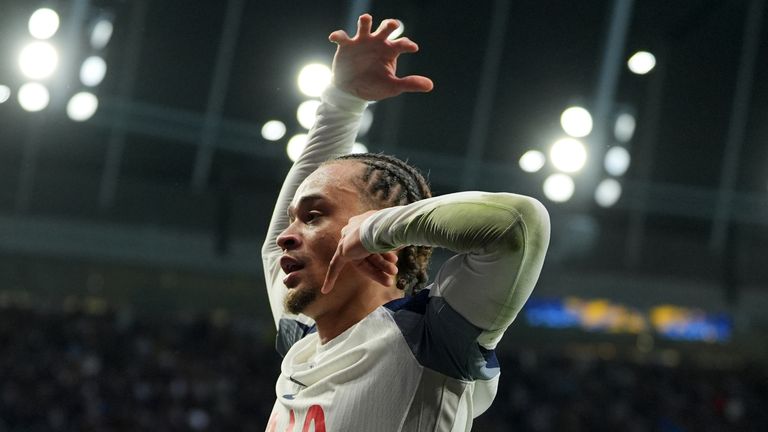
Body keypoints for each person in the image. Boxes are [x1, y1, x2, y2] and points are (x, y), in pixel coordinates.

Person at [261, 14, 550, 432]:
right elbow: (274, 242)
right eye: (294, 220)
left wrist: (378, 229)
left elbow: (518, 224)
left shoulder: (431, 336)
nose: (286, 238)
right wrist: (341, 102)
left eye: (314, 216)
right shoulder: (303, 340)